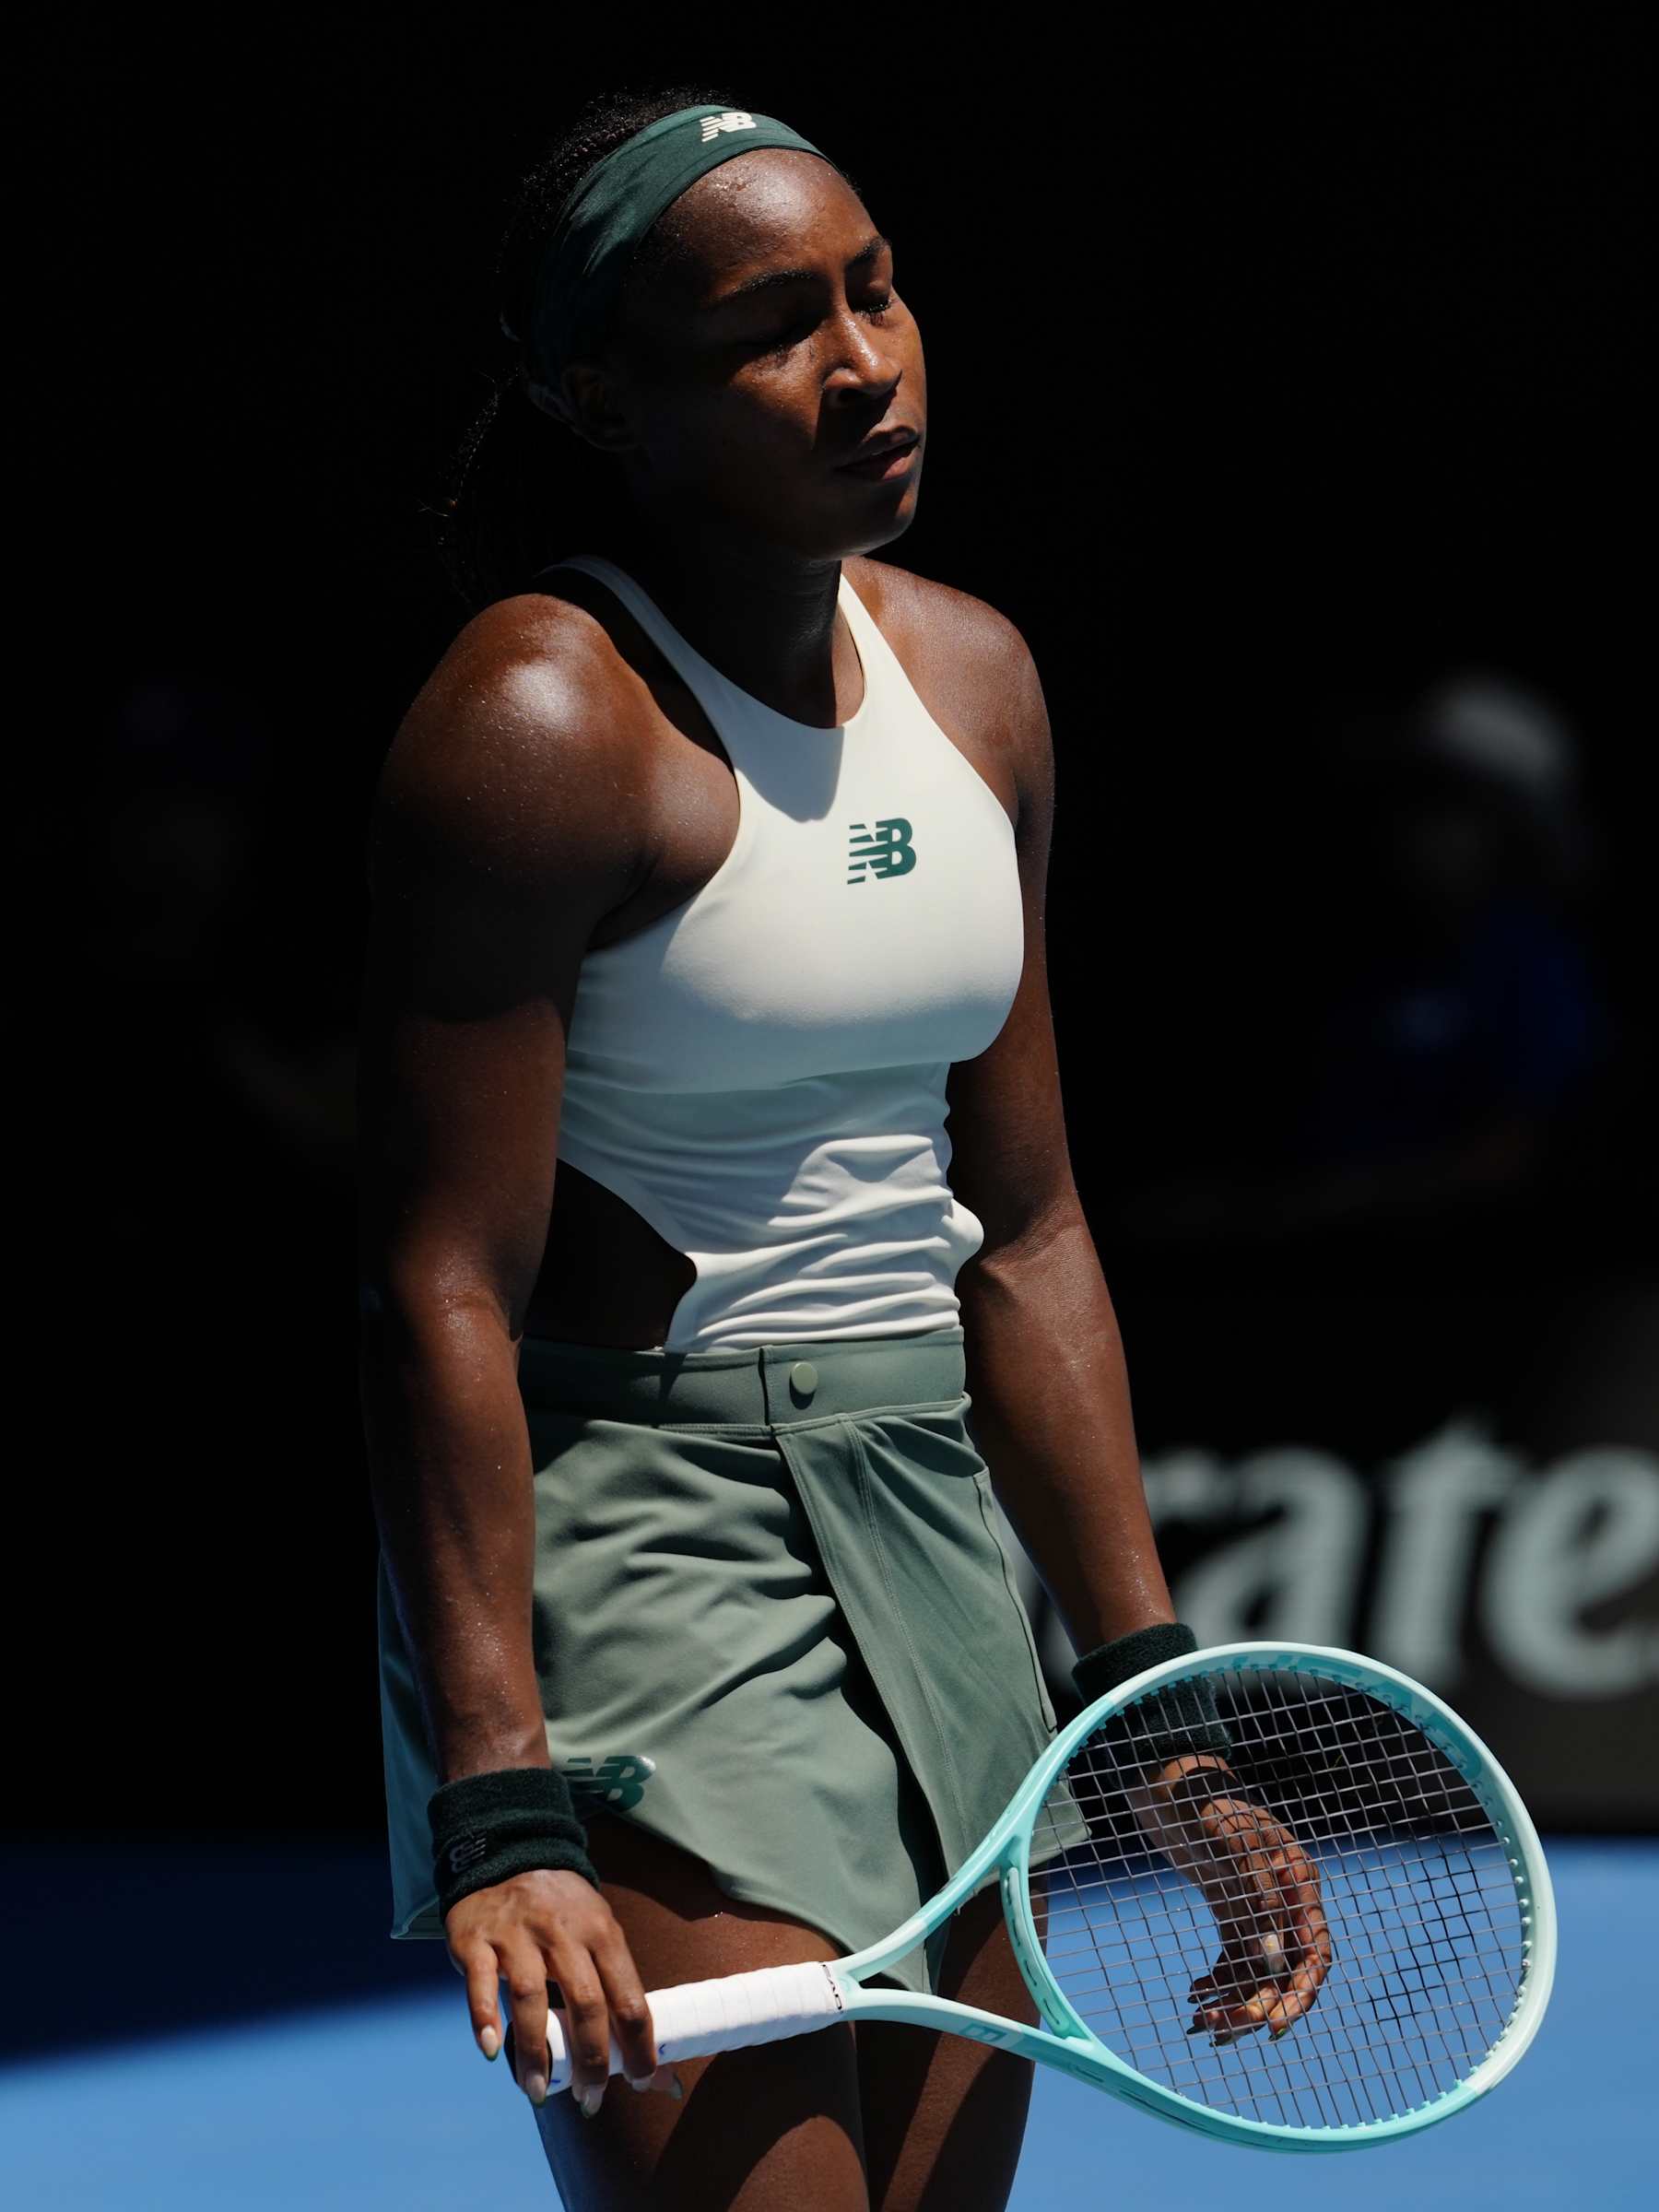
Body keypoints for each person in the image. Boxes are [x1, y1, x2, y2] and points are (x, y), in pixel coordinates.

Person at [357, 84, 1327, 2212]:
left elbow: (1034, 1224)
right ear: (607, 399)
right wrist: (497, 1793)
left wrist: (1146, 1705)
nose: (866, 361)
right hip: (647, 1544)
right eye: (772, 330)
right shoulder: (540, 718)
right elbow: (443, 1281)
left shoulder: (980, 682)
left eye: (877, 290)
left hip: (939, 1536)